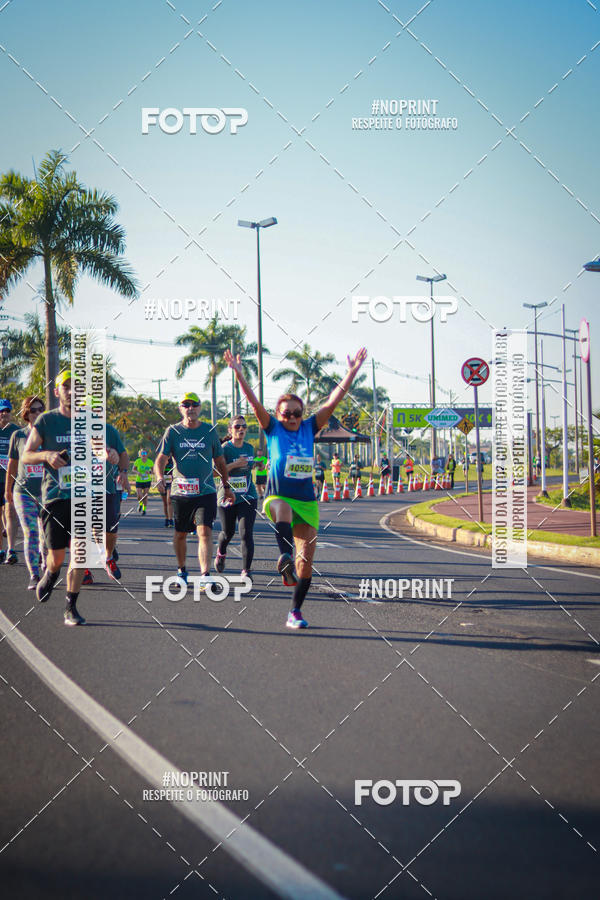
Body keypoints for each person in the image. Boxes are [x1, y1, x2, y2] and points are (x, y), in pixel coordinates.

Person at [225, 346, 366, 629]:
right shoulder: (273, 428)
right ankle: (283, 555)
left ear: (303, 414)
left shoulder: (310, 427)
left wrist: (351, 373)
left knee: (306, 564)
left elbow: (332, 402)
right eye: (287, 413)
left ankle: (295, 611)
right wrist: (240, 375)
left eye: (297, 413)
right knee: (281, 509)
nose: (292, 417)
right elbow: (254, 404)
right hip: (278, 495)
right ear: (278, 414)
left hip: (307, 500)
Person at [22, 371, 120, 625]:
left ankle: (70, 607)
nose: (71, 391)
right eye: (66, 386)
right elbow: (26, 455)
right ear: (57, 392)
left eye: (76, 387)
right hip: (55, 497)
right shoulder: (46, 421)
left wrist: (110, 454)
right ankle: (50, 573)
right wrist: (47, 456)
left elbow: (104, 450)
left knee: (79, 553)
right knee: (56, 558)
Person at [154, 391, 234, 586]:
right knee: (180, 533)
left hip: (205, 491)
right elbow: (161, 459)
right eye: (186, 405)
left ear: (200, 408)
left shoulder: (209, 431)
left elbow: (220, 461)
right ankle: (182, 570)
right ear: (181, 409)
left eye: (194, 405)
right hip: (180, 492)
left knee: (204, 532)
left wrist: (226, 485)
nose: (190, 408)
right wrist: (158, 476)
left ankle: (205, 575)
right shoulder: (172, 432)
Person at [6, 396, 46, 587]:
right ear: (26, 414)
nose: (37, 413)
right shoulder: (18, 436)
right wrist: (8, 491)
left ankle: (47, 566)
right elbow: (12, 466)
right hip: (23, 492)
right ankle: (34, 574)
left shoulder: (50, 435)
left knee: (46, 535)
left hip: (47, 492)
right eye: (33, 410)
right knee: (30, 532)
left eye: (40, 410)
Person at [215, 415, 257, 580]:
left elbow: (249, 467)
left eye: (244, 427)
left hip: (248, 495)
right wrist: (234, 465)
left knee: (246, 533)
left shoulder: (249, 447)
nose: (241, 429)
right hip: (226, 495)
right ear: (230, 430)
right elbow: (214, 472)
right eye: (238, 426)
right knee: (228, 532)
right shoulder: (224, 448)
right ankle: (221, 552)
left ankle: (246, 571)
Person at [104, 423, 130, 580]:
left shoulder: (108, 430)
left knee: (111, 528)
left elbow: (123, 455)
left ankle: (108, 556)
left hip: (108, 487)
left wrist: (123, 472)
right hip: (80, 488)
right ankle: (84, 568)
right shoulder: (70, 426)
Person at [0, 398, 20, 565]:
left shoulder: (16, 431)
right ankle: (1, 549)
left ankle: (11, 550)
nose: (4, 414)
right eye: (1, 411)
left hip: (11, 478)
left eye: (7, 411)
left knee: (9, 511)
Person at [132, 448, 153, 515]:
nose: (144, 455)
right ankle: (140, 504)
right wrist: (138, 472)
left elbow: (153, 471)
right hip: (139, 480)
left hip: (147, 480)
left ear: (147, 454)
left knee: (145, 496)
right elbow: (133, 469)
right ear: (140, 454)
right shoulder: (137, 461)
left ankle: (144, 509)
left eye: (145, 453)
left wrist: (149, 471)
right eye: (142, 453)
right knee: (139, 495)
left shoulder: (150, 461)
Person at [160, 455, 174, 527]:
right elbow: (156, 471)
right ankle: (167, 519)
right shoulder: (161, 459)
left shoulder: (174, 460)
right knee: (165, 503)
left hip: (171, 483)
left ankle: (171, 519)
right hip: (163, 483)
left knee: (169, 501)